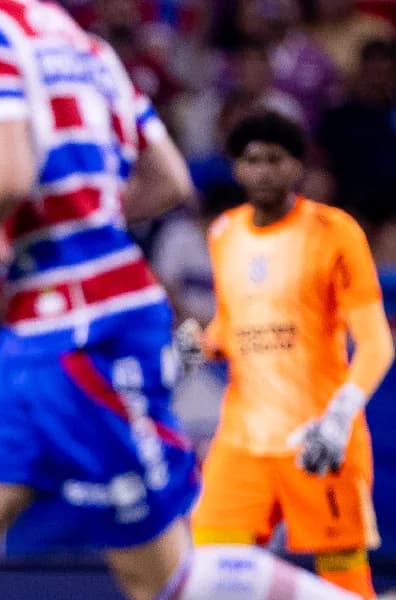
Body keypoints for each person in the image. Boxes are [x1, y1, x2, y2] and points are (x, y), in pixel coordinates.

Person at [0, 2, 363, 600]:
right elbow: (170, 179)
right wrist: (81, 214)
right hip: (37, 335)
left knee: (163, 576)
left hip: (88, 334)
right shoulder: (91, 51)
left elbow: (7, 171)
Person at [181, 110, 394, 600]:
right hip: (242, 443)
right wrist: (200, 343)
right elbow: (233, 324)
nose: (263, 171)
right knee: (209, 572)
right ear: (236, 169)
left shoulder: (334, 232)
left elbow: (377, 341)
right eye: (251, 160)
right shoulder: (224, 234)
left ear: (297, 167)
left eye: (275, 160)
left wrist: (340, 417)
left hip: (319, 438)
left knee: (345, 583)